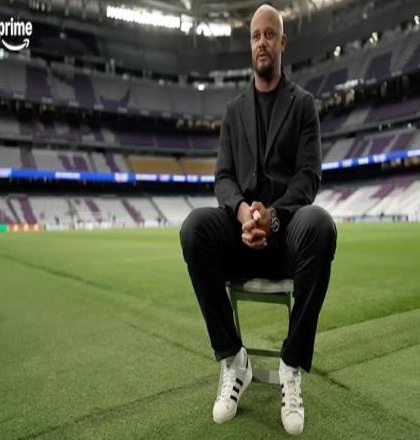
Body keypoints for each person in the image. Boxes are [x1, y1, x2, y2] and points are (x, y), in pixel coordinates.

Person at [180, 4, 337, 435]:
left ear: (282, 42)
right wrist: (243, 212)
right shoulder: (233, 111)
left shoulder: (303, 105)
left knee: (321, 225)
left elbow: (309, 177)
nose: (262, 42)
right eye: (255, 36)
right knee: (194, 229)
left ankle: (291, 364)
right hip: (240, 235)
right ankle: (234, 360)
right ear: (250, 45)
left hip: (286, 236)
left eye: (269, 34)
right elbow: (223, 178)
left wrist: (274, 216)